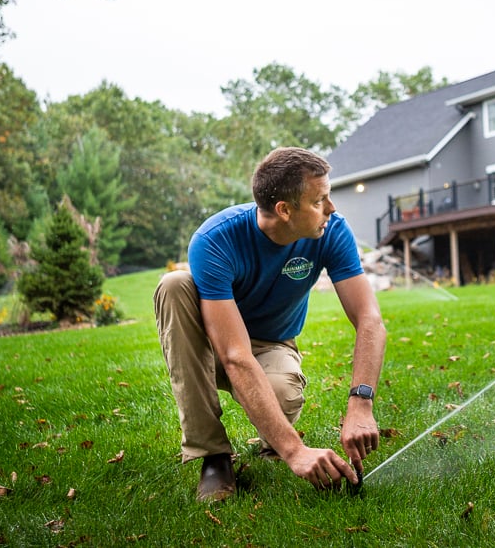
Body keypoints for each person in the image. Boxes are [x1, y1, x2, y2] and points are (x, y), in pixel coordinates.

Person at [154, 147, 387, 502]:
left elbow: (369, 319)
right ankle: (213, 456)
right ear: (285, 210)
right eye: (319, 200)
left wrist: (361, 403)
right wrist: (296, 452)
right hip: (213, 344)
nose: (332, 208)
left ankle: (271, 443)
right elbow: (234, 355)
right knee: (173, 285)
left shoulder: (331, 232)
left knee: (281, 395)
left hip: (272, 344)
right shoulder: (216, 239)